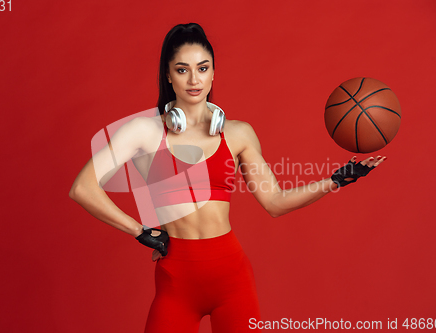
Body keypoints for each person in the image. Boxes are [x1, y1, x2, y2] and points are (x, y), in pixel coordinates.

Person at [69, 23, 386, 333]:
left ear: (213, 72)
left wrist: (337, 180)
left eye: (203, 68)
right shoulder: (144, 132)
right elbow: (83, 188)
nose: (195, 79)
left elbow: (275, 202)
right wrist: (140, 231)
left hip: (232, 280)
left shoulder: (238, 133)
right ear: (168, 75)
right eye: (182, 70)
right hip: (175, 281)